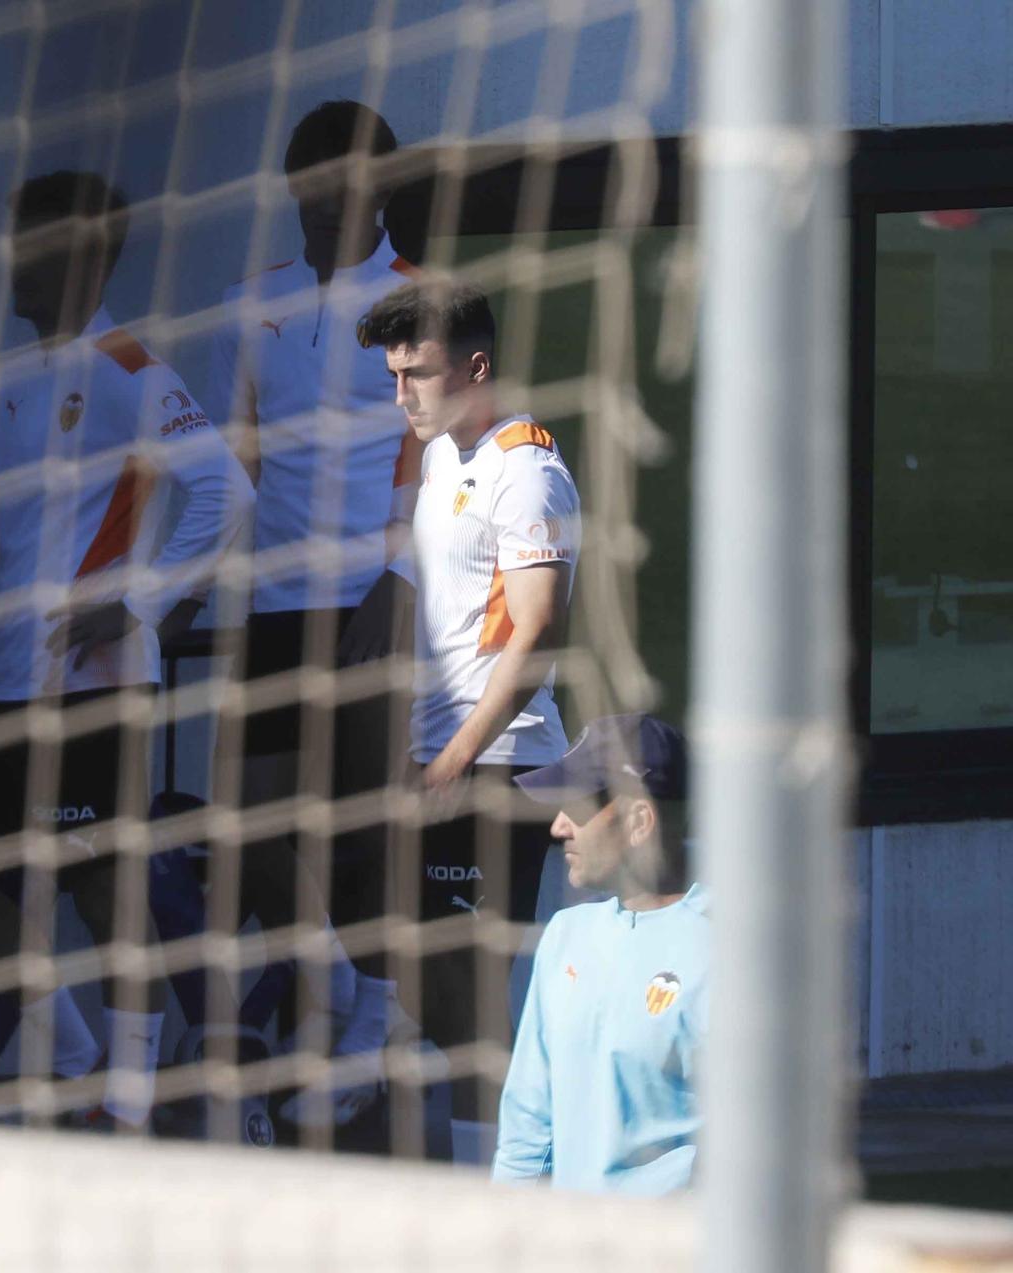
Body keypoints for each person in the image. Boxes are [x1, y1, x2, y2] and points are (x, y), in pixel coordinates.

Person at [0, 170, 253, 1133]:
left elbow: (225, 493)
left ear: (85, 257)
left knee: (104, 893)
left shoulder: (128, 367)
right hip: (4, 683)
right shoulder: (13, 379)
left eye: (34, 243)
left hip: (92, 691)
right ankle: (82, 1055)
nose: (15, 259)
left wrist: (135, 602)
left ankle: (128, 1111)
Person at [194, 98, 425, 1141]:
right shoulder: (251, 304)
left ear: (379, 188)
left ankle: (376, 1018)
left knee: (374, 826)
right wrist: (188, 584)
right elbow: (230, 468)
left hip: (377, 606)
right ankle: (346, 994)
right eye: (307, 184)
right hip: (271, 606)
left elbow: (455, 463)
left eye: (342, 184)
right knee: (246, 824)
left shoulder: (426, 302)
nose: (323, 202)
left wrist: (402, 579)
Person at [355, 277, 580, 1133]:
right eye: (393, 374)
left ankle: (505, 1203)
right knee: (431, 992)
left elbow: (536, 635)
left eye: (418, 372)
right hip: (440, 757)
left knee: (474, 1008)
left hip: (502, 765)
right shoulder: (442, 454)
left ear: (476, 366)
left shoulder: (529, 472)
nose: (402, 392)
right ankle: (480, 1178)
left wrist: (449, 761)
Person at [493, 714, 705, 1193]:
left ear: (638, 821)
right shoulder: (567, 935)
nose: (558, 825)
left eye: (576, 806)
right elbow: (529, 1120)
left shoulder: (730, 950)